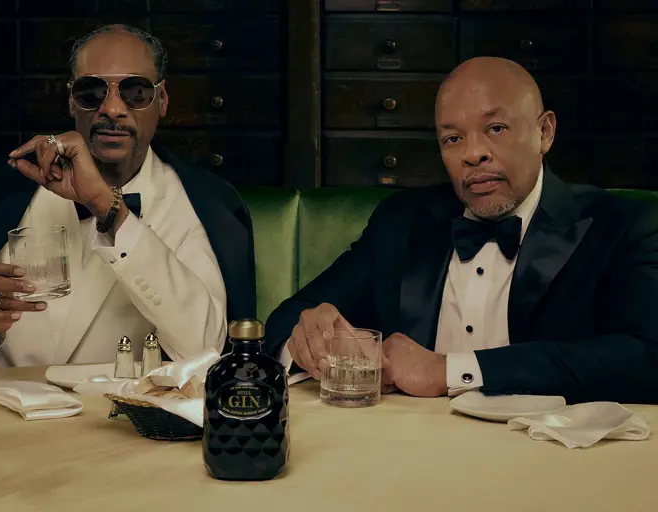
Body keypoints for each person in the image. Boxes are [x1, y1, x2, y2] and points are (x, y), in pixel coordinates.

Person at [265, 57, 658, 405]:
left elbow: (646, 359)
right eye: (453, 138)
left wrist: (449, 370)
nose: (473, 153)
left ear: (545, 132)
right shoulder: (401, 221)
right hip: (411, 449)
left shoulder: (625, 226)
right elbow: (286, 320)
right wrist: (309, 339)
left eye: (496, 128)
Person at [0, 24, 256, 378]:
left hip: (117, 416)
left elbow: (205, 348)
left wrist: (107, 207)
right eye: (91, 92)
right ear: (71, 100)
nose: (112, 109)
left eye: (135, 92)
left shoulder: (198, 203)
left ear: (161, 100)